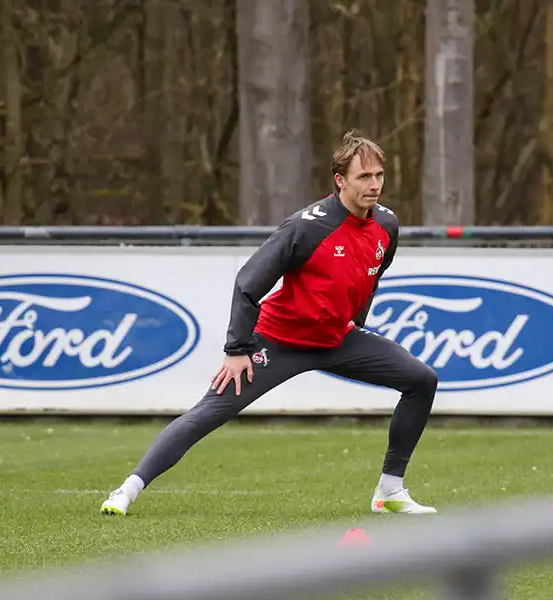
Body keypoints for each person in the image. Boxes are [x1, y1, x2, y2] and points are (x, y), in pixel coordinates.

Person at [100, 131, 439, 516]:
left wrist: (354, 323)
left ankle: (389, 491)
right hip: (279, 342)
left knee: (421, 379)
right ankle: (126, 490)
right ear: (340, 180)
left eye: (379, 175)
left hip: (339, 340)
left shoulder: (387, 226)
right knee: (208, 413)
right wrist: (237, 349)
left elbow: (369, 276)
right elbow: (248, 283)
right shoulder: (307, 227)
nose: (374, 185)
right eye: (364, 177)